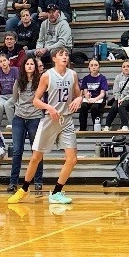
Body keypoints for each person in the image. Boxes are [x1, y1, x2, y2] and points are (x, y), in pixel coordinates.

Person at [8, 47, 82, 205]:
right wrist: (49, 107)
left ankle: (56, 192)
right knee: (36, 157)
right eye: (61, 55)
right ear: (54, 59)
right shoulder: (47, 76)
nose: (65, 57)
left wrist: (78, 99)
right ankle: (24, 189)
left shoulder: (73, 74)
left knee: (72, 159)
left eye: (66, 55)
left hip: (66, 120)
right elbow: (36, 100)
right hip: (50, 119)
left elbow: (78, 94)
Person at [7, 56, 45, 193]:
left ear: (35, 67)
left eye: (32, 64)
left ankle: (38, 181)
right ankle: (13, 182)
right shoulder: (18, 81)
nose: (29, 66)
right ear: (24, 66)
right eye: (27, 64)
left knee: (36, 151)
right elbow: (14, 99)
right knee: (17, 151)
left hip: (35, 117)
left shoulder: (40, 81)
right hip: (19, 118)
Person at [105, 60, 129, 131]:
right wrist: (118, 99)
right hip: (119, 98)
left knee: (122, 106)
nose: (126, 68)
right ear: (121, 68)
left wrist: (124, 99)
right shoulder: (118, 77)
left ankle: (124, 126)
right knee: (114, 107)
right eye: (124, 67)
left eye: (128, 66)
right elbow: (115, 91)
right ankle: (107, 126)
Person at [77, 58, 108, 131]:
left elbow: (102, 94)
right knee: (83, 106)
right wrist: (87, 97)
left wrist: (95, 99)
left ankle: (96, 128)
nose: (94, 67)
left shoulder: (102, 78)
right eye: (91, 65)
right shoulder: (86, 78)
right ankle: (82, 129)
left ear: (99, 67)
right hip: (89, 99)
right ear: (89, 67)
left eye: (96, 65)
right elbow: (85, 91)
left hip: (99, 99)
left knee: (94, 107)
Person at [0, 53, 19, 129]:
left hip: (13, 94)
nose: (3, 63)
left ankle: (13, 126)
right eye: (0, 61)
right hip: (3, 96)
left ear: (8, 61)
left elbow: (17, 86)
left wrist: (15, 97)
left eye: (4, 60)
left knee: (7, 104)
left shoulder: (15, 70)